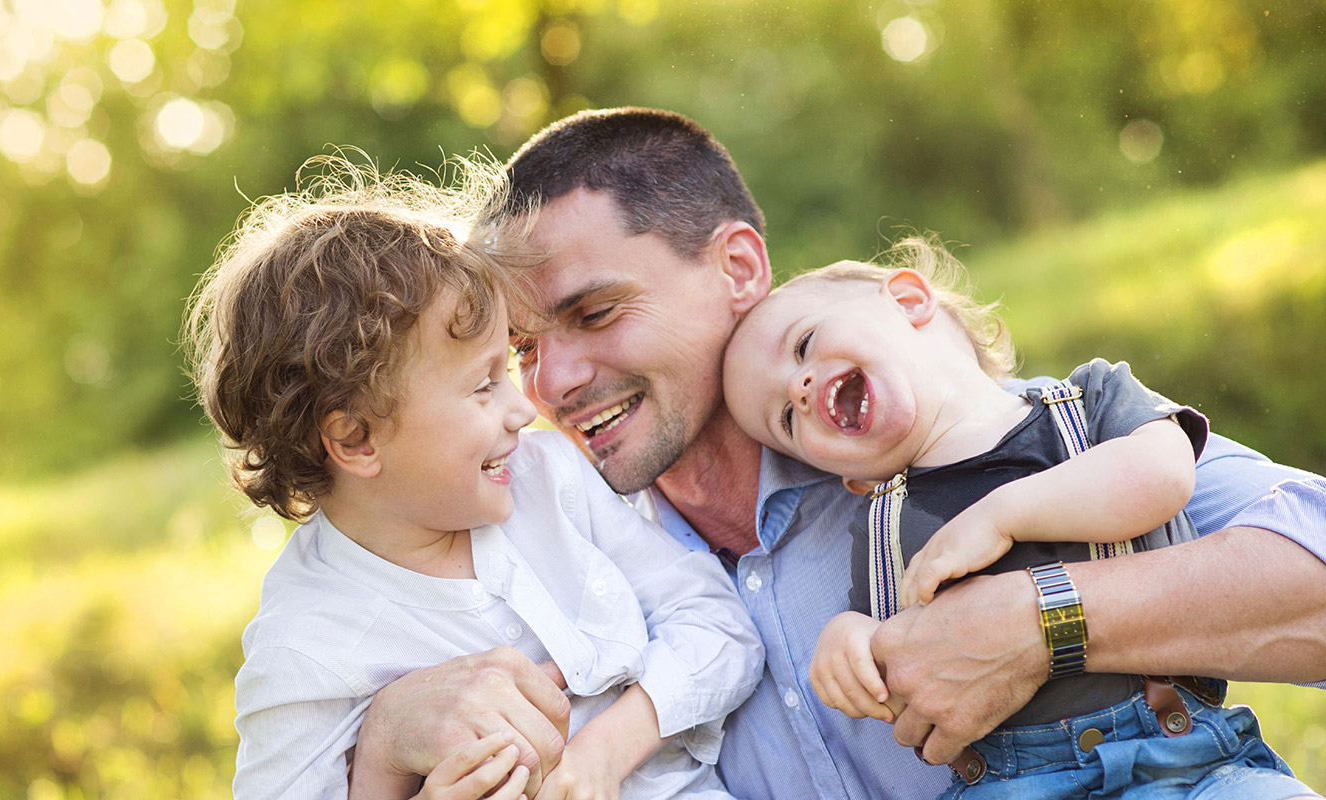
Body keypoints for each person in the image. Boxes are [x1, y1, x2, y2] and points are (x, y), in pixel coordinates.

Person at [349, 107, 1326, 800]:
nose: (553, 381)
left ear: (736, 267)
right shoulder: (562, 567)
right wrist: (385, 749)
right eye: (521, 350)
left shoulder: (988, 443)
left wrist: (1041, 617)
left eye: (594, 312)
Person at [185, 157, 764, 800]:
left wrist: (603, 752)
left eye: (507, 367)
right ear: (355, 438)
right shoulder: (306, 644)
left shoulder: (547, 479)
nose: (525, 408)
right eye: (483, 384)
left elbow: (719, 622)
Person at [722, 244, 1318, 798]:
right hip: (1011, 785)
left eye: (803, 345)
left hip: (1181, 758)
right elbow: (899, 643)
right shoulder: (883, 521)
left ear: (908, 299)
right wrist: (847, 642)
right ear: (850, 479)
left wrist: (1004, 516)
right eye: (785, 422)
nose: (798, 389)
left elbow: (1162, 477)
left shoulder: (1086, 404)